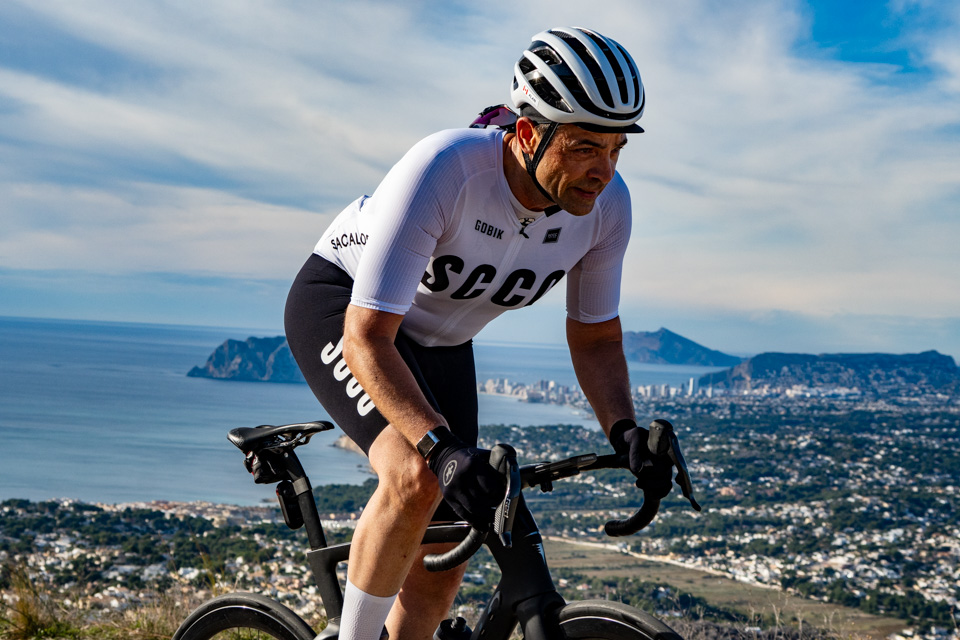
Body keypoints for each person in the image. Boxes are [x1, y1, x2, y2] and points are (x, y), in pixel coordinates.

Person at [284, 26, 673, 640]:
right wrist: (441, 450)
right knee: (416, 477)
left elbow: (596, 337)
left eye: (616, 149)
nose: (603, 171)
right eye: (583, 148)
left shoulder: (606, 209)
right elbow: (367, 336)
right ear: (528, 133)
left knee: (449, 550)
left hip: (441, 345)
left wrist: (625, 431)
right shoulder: (445, 169)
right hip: (348, 310)